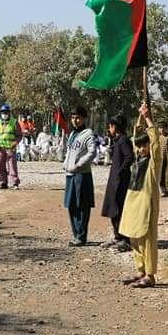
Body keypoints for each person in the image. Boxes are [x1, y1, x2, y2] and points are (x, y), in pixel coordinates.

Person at [120, 102, 162, 288]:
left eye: (144, 146)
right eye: (139, 147)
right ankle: (140, 270)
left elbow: (155, 142)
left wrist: (147, 118)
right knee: (134, 236)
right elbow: (136, 135)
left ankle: (150, 275)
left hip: (147, 203)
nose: (141, 149)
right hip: (133, 201)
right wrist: (139, 115)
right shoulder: (138, 159)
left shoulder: (154, 163)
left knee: (147, 238)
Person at [63, 105, 96, 247]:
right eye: (72, 117)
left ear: (84, 118)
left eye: (78, 118)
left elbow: (92, 152)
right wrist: (65, 164)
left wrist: (79, 165)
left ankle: (81, 236)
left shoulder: (88, 134)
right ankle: (75, 234)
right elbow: (69, 152)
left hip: (82, 175)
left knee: (82, 206)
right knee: (71, 205)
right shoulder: (72, 134)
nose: (75, 120)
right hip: (70, 175)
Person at [101, 114, 134, 252]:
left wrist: (120, 172)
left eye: (110, 126)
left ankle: (125, 240)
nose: (109, 128)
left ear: (115, 126)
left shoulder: (124, 140)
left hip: (120, 181)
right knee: (113, 208)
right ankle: (117, 237)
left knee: (120, 209)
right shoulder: (118, 140)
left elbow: (129, 157)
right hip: (115, 179)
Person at [0, 104, 22, 189]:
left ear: (9, 113)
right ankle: (2, 182)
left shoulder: (14, 122)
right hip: (0, 148)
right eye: (3, 112)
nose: (4, 114)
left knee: (12, 166)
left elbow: (19, 135)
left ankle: (14, 183)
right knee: (0, 165)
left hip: (11, 148)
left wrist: (15, 143)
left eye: (6, 112)